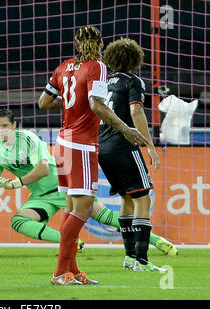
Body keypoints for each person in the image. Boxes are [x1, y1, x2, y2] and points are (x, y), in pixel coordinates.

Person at [0, 109, 178, 257]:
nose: (0, 131)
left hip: (65, 187)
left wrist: (16, 183)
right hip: (42, 198)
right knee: (18, 221)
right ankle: (70, 241)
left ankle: (157, 240)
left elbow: (43, 168)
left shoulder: (28, 139)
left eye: (4, 126)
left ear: (14, 125)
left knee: (108, 218)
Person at [38, 25, 150, 285]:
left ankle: (73, 271)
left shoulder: (63, 66)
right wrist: (126, 129)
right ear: (100, 44)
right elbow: (96, 105)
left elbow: (44, 102)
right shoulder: (97, 66)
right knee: (84, 208)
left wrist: (71, 102)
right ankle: (59, 272)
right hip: (81, 144)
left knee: (71, 207)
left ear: (76, 45)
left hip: (63, 141)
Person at [100, 38, 167, 271]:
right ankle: (141, 259)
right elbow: (136, 110)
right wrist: (149, 145)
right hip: (123, 144)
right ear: (136, 59)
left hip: (102, 147)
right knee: (142, 198)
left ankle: (129, 258)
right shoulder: (133, 81)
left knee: (127, 199)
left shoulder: (104, 81)